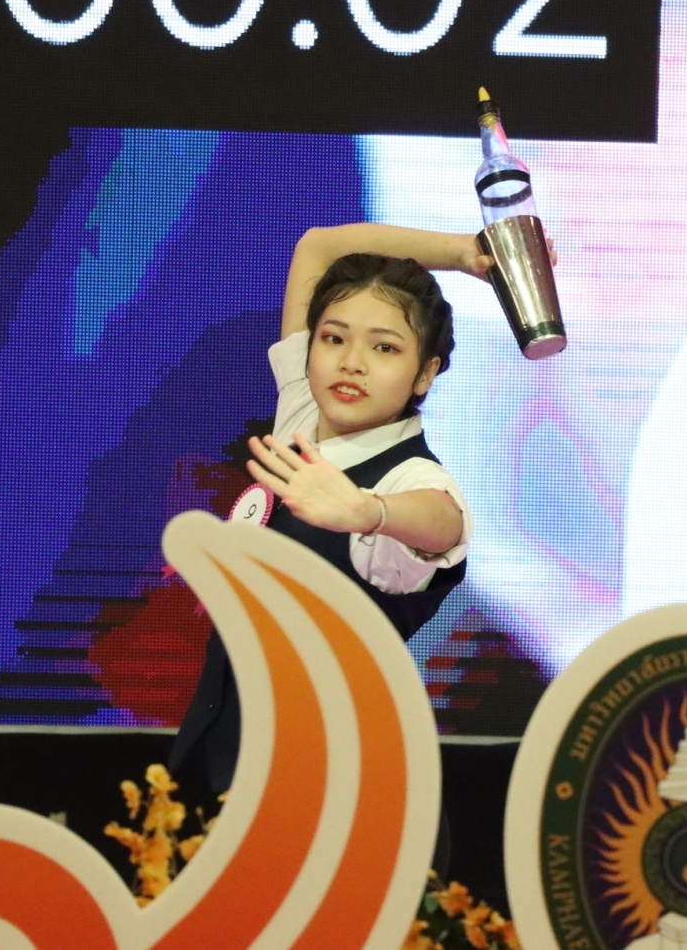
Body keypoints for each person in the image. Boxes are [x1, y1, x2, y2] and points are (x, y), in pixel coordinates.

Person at [168, 222, 492, 841]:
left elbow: (442, 521)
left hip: (334, 792)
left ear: (426, 373)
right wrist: (463, 254)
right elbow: (317, 246)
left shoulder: (410, 477)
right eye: (333, 338)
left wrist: (369, 512)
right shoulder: (302, 414)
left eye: (385, 349)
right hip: (226, 746)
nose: (351, 363)